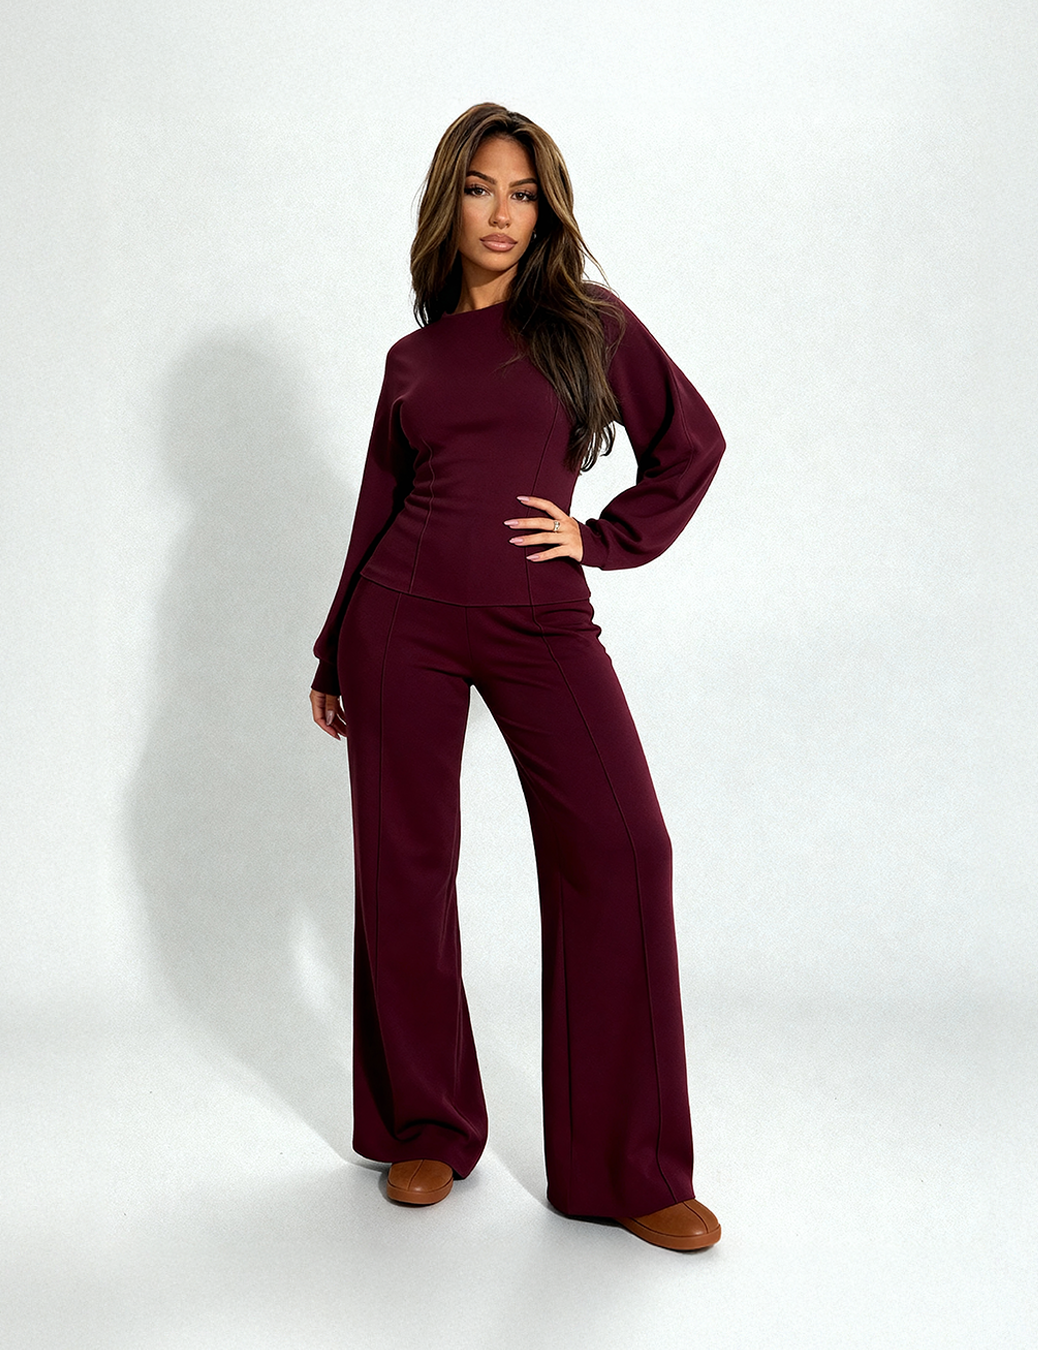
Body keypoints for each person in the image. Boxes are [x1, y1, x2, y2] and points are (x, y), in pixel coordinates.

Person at [308, 102, 726, 1251]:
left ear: (547, 210)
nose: (503, 212)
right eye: (482, 188)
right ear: (450, 202)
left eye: (525, 192)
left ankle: (628, 1170)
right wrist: (333, 646)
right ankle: (426, 1127)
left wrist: (601, 538)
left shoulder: (588, 323)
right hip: (400, 623)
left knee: (626, 848)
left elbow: (692, 445)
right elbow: (379, 503)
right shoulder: (411, 360)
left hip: (543, 621)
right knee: (404, 865)